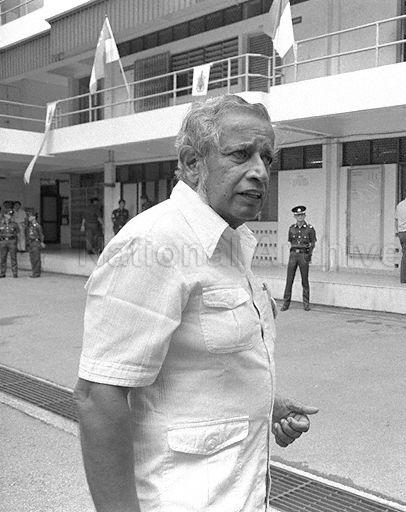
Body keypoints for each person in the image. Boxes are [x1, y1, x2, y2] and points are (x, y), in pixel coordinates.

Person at [73, 95, 318, 512]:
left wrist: (265, 404)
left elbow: (202, 362)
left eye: (267, 158)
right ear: (192, 163)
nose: (259, 171)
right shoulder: (156, 242)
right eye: (241, 154)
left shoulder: (232, 242)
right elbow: (99, 396)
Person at [281, 205, 316, 312]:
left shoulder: (310, 229)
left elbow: (312, 244)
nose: (300, 217)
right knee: (289, 279)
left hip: (303, 255)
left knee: (304, 280)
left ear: (304, 215)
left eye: (301, 215)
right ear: (295, 217)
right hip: (293, 255)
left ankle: (306, 304)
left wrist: (308, 256)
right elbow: (291, 242)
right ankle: (286, 303)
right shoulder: (291, 228)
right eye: (297, 215)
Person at [0, 209, 19, 278]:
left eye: (10, 216)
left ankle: (15, 273)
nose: (8, 217)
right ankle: (2, 273)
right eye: (7, 215)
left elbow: (17, 232)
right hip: (3, 241)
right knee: (3, 258)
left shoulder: (14, 224)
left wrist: (15, 241)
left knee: (13, 257)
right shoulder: (1, 224)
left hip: (12, 241)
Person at [25, 211, 45, 278]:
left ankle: (36, 273)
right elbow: (27, 235)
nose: (28, 218)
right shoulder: (29, 226)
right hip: (30, 243)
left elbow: (41, 234)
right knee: (32, 259)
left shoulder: (37, 226)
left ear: (34, 218)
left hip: (36, 242)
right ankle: (34, 272)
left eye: (30, 216)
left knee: (36, 258)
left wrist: (42, 242)